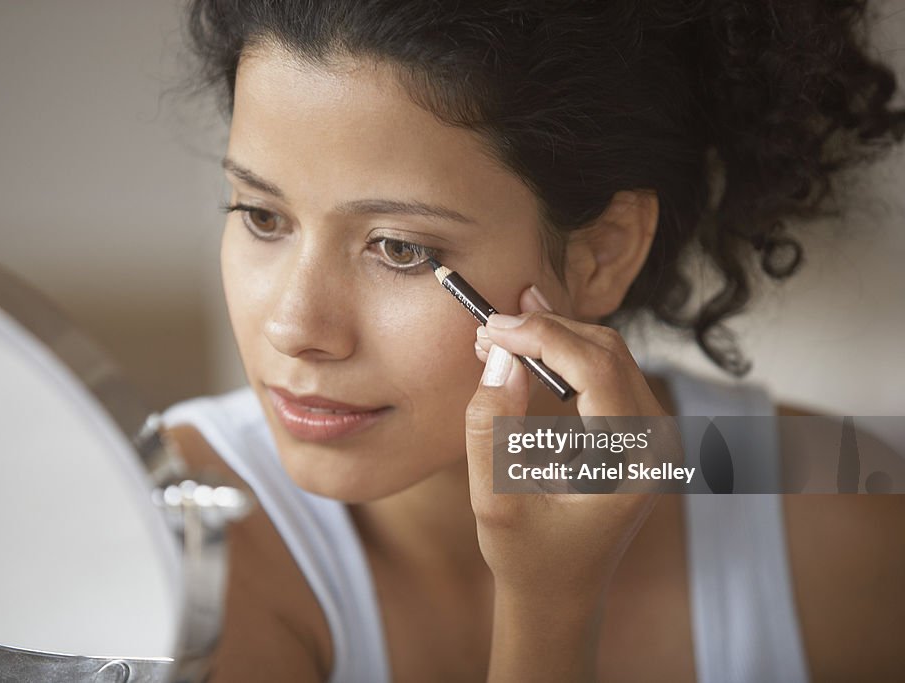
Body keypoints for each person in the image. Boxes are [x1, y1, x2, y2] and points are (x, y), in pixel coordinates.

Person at [163, 1, 905, 680]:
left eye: (398, 249)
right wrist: (548, 611)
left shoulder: (847, 502)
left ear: (600, 253)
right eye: (262, 216)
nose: (295, 328)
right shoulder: (175, 535)